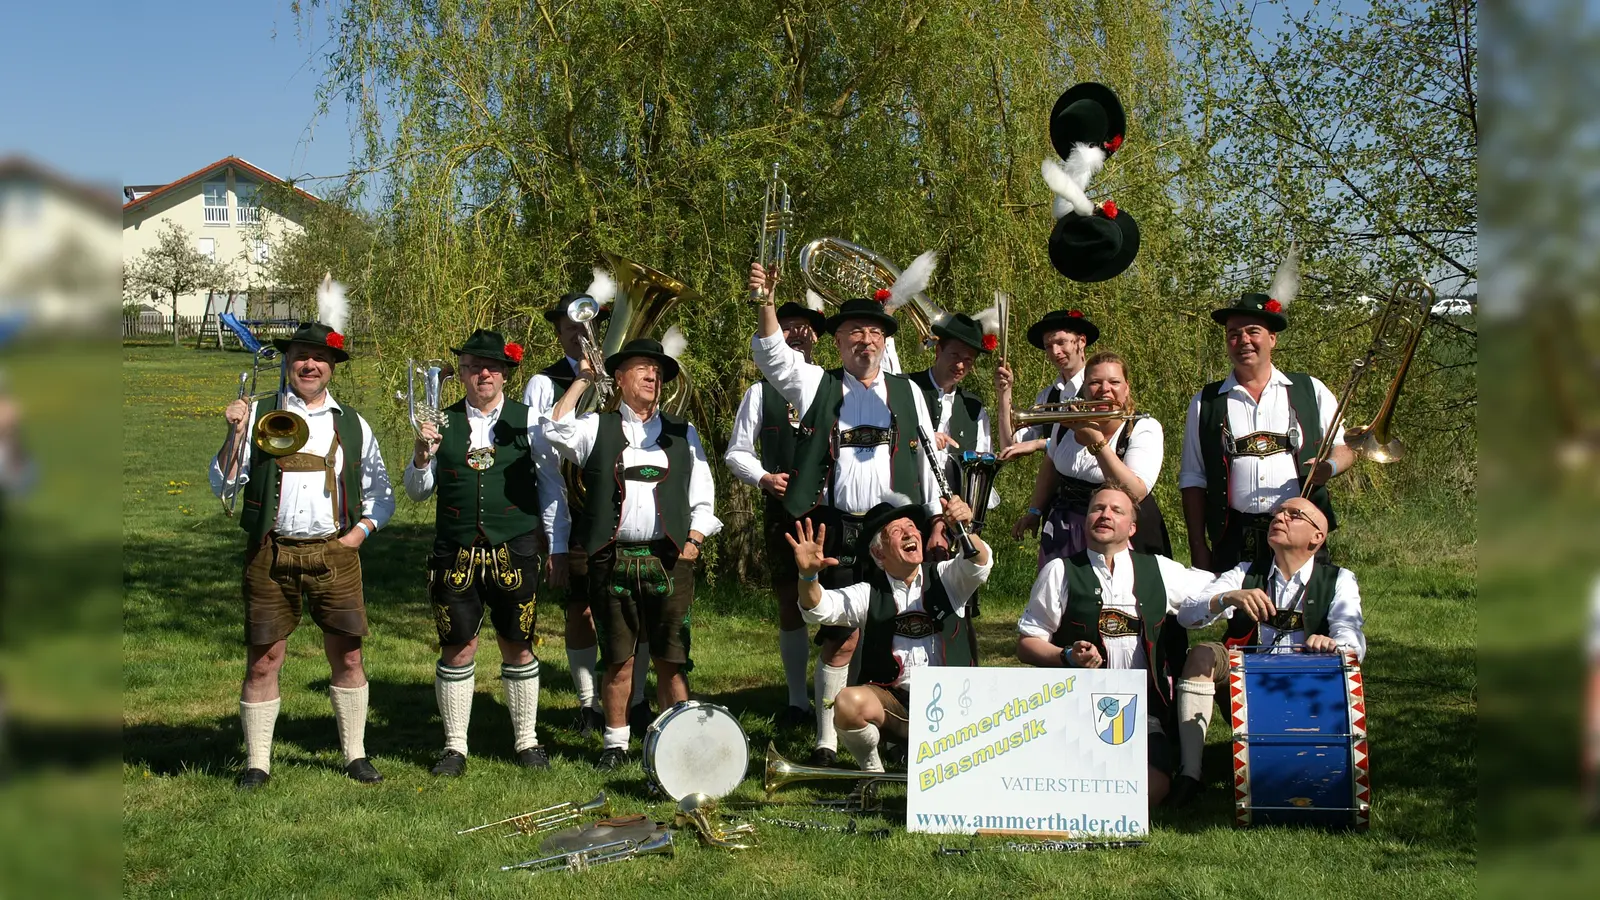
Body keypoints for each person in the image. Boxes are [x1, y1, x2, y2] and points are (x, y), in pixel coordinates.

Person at [748, 262, 946, 766]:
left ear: (884, 343)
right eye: (854, 332)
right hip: (839, 526)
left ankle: (900, 731)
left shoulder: (909, 394)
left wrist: (938, 517)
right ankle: (826, 741)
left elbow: (930, 459)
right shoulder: (817, 384)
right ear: (836, 342)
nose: (865, 340)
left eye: (874, 332)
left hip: (897, 529)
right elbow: (774, 360)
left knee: (897, 625)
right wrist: (767, 302)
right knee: (840, 635)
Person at [210, 319, 395, 789]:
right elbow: (224, 485)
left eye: (319, 358)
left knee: (349, 657)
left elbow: (381, 492)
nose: (308, 365)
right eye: (300, 357)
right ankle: (257, 762)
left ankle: (354, 755)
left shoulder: (351, 423)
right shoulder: (257, 414)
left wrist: (357, 535)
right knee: (263, 659)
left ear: (332, 367)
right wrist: (234, 432)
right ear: (289, 363)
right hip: (270, 554)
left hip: (335, 553)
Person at [541, 336, 721, 769]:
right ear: (619, 379)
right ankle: (616, 744)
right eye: (642, 368)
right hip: (611, 557)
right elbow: (553, 429)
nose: (652, 376)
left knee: (672, 660)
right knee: (618, 658)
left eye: (657, 371)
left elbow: (704, 498)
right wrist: (583, 380)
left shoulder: (683, 432)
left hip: (670, 558)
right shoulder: (596, 428)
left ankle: (682, 745)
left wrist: (694, 541)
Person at [406, 328, 555, 776]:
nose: (482, 374)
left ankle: (527, 741)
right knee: (458, 645)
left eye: (491, 367)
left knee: (518, 642)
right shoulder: (440, 422)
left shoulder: (530, 420)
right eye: (472, 367)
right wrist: (420, 455)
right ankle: (455, 747)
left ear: (506, 374)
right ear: (463, 374)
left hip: (518, 545)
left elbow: (550, 487)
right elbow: (416, 492)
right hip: (455, 550)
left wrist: (556, 544)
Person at [1014, 483, 1213, 805]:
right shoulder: (1060, 571)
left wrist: (1233, 593)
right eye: (1097, 508)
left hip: (1143, 712)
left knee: (1154, 790)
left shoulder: (1159, 569)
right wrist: (1066, 656)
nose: (1105, 514)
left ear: (1132, 527)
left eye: (1116, 510)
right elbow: (1027, 643)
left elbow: (1210, 595)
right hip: (1074, 709)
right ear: (1086, 520)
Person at [1168, 496, 1367, 806]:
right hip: (1243, 688)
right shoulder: (1246, 572)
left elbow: (1352, 638)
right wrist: (1227, 598)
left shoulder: (1338, 579)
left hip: (1305, 696)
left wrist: (1332, 645)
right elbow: (1187, 616)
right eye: (1278, 513)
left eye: (1294, 515)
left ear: (1317, 537)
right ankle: (1190, 774)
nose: (1279, 517)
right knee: (1201, 655)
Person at [788, 492, 990, 773]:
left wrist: (965, 531)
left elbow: (979, 563)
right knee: (846, 704)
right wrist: (807, 576)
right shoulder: (869, 594)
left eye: (911, 527)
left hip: (957, 706)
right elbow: (818, 608)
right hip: (897, 708)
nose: (910, 533)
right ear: (879, 553)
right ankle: (873, 771)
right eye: (897, 531)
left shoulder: (946, 577)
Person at [1179, 261, 1354, 573]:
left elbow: (1346, 447)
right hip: (1233, 537)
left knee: (1304, 618)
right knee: (1241, 620)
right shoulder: (1206, 402)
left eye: (1253, 332)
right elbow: (1193, 479)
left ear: (1272, 338)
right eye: (1233, 334)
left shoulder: (1309, 389)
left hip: (1300, 533)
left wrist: (1330, 467)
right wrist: (1198, 546)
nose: (1243, 341)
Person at [521, 293, 627, 738]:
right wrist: (556, 539)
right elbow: (545, 466)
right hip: (577, 511)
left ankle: (630, 700)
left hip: (627, 510)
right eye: (571, 328)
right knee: (582, 609)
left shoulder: (619, 375)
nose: (580, 335)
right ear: (559, 332)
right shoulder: (544, 384)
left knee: (627, 608)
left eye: (588, 328)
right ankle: (588, 704)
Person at [724, 296, 827, 728]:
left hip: (833, 512)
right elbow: (736, 454)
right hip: (782, 512)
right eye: (788, 327)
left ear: (818, 337)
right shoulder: (758, 392)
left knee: (843, 604)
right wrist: (765, 478)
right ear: (774, 334)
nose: (798, 333)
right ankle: (798, 701)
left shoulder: (833, 383)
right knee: (790, 602)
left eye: (806, 327)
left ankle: (839, 698)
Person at [1012, 351, 1169, 563]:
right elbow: (1049, 467)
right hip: (1064, 528)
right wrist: (1034, 511)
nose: (1105, 390)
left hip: (1118, 534)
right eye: (1095, 382)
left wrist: (1096, 442)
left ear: (1126, 388)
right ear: (1084, 389)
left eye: (1114, 382)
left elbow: (1136, 492)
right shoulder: (1066, 425)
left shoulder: (1144, 428)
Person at [995, 308, 1099, 461]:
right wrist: (1005, 393)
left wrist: (1040, 443)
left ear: (1081, 342)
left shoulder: (1101, 388)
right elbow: (1010, 447)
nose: (1055, 351)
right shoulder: (1047, 396)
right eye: (1048, 346)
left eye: (1061, 342)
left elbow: (1100, 441)